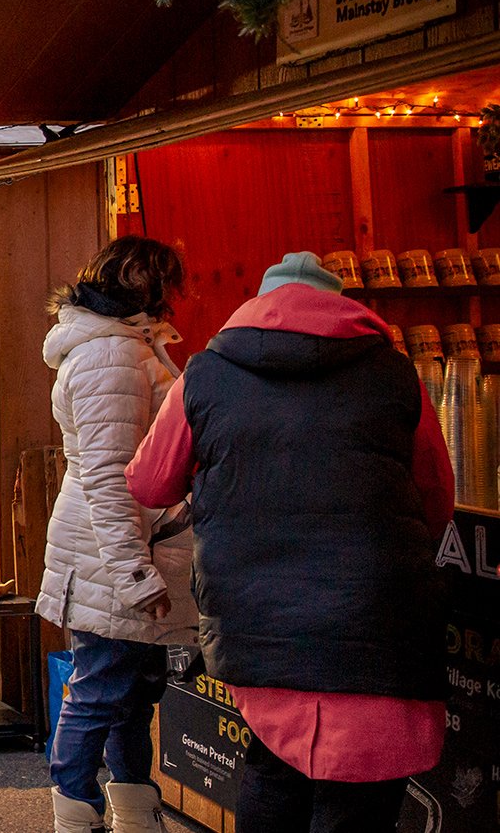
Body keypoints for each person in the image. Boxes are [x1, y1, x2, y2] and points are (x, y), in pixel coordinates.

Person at [129, 253, 450, 833]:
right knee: (359, 797)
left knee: (275, 771)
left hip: (256, 614)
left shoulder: (206, 373)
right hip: (375, 617)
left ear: (258, 303)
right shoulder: (394, 373)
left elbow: (149, 481)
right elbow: (437, 498)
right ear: (345, 305)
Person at [37, 236, 196, 833]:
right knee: (103, 689)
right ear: (137, 279)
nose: (171, 300)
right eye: (165, 284)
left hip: (120, 548)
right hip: (113, 554)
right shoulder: (111, 356)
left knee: (129, 694)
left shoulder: (122, 347)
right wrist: (135, 573)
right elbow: (111, 476)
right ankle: (77, 816)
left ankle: (132, 810)